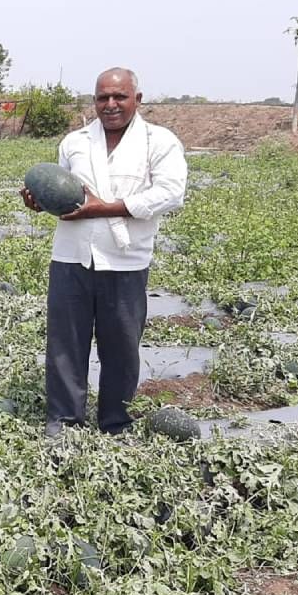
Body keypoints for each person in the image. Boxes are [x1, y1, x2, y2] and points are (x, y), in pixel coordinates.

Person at [21, 67, 187, 436]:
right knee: (66, 342)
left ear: (137, 99)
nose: (110, 105)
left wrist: (108, 208)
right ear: (94, 101)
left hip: (125, 260)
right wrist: (39, 202)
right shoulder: (75, 142)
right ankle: (64, 421)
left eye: (119, 97)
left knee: (122, 347)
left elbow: (171, 193)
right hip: (71, 255)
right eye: (102, 98)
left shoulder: (158, 142)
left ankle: (116, 422)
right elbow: (62, 194)